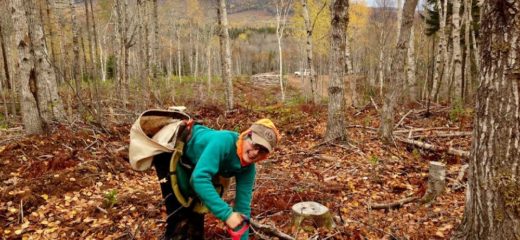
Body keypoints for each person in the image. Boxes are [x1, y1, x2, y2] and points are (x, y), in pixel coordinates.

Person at [153, 118, 280, 240]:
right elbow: (199, 179)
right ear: (247, 135)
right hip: (171, 151)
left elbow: (243, 208)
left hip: (194, 166)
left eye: (262, 151)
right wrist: (227, 215)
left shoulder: (248, 169)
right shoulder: (224, 141)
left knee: (196, 222)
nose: (255, 153)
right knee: (178, 218)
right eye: (255, 145)